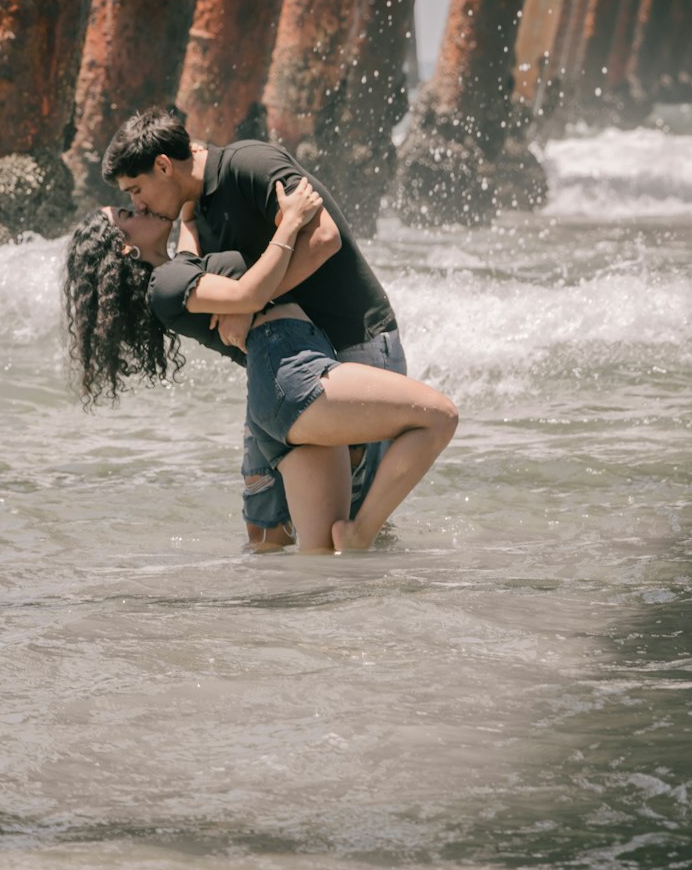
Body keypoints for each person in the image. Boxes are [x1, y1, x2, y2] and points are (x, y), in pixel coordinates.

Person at [63, 183, 457, 553]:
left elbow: (189, 236)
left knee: (321, 567)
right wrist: (289, 222)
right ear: (126, 248)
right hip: (292, 376)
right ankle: (361, 533)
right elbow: (250, 291)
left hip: (276, 395)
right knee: (438, 418)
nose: (141, 205)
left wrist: (185, 198)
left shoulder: (176, 273)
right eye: (128, 212)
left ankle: (291, 625)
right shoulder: (166, 286)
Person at [100, 107, 408, 548]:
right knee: (270, 526)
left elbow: (324, 239)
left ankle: (377, 612)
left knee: (352, 523)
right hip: (296, 364)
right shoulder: (195, 212)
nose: (138, 204)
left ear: (164, 166)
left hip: (353, 341)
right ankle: (276, 613)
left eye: (136, 189)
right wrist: (246, 293)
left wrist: (252, 299)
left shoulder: (248, 164)